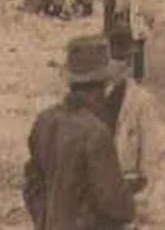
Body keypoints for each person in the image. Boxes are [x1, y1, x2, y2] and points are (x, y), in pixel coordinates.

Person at [23, 36, 135, 229]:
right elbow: (114, 204)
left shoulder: (45, 120)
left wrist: (45, 218)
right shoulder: (96, 133)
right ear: (103, 86)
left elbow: (32, 184)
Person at [102, 61, 159, 225]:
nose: (114, 68)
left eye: (121, 62)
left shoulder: (141, 100)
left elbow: (150, 150)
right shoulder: (97, 96)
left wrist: (145, 193)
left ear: (128, 67)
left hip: (129, 181)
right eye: (110, 60)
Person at [128, 0, 155, 83]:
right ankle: (135, 73)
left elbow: (149, 12)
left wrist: (147, 26)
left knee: (138, 50)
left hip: (141, 24)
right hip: (134, 23)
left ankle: (138, 76)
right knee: (134, 50)